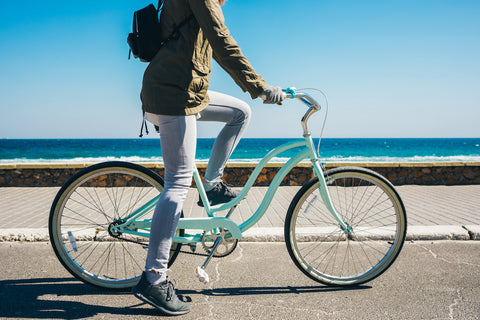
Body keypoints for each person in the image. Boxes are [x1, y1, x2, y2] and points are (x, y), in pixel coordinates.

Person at [132, 0, 284, 316]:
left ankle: (212, 184)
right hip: (173, 93)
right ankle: (154, 277)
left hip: (187, 89)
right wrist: (261, 86)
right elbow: (221, 40)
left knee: (240, 113)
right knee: (177, 182)